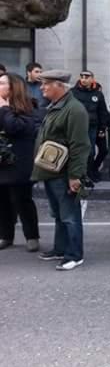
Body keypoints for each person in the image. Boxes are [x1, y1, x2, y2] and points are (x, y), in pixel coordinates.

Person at [32, 70, 90, 271]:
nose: (42, 87)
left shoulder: (74, 110)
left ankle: (75, 255)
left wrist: (75, 176)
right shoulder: (57, 107)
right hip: (51, 171)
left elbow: (80, 146)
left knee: (70, 216)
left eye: (46, 84)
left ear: (59, 85)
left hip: (65, 174)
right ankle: (60, 249)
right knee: (58, 214)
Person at [0, 73, 41, 251]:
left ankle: (31, 236)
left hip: (19, 162)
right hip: (2, 161)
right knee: (2, 201)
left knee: (22, 200)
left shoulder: (28, 107)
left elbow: (14, 127)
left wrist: (4, 109)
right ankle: (5, 235)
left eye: (1, 83)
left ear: (13, 87)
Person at [71, 70, 110, 180]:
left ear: (92, 79)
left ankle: (92, 170)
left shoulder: (98, 94)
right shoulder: (73, 92)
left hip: (93, 126)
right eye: (82, 76)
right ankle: (85, 174)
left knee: (95, 151)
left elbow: (103, 112)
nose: (84, 79)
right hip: (77, 126)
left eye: (87, 77)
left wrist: (103, 128)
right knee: (85, 152)